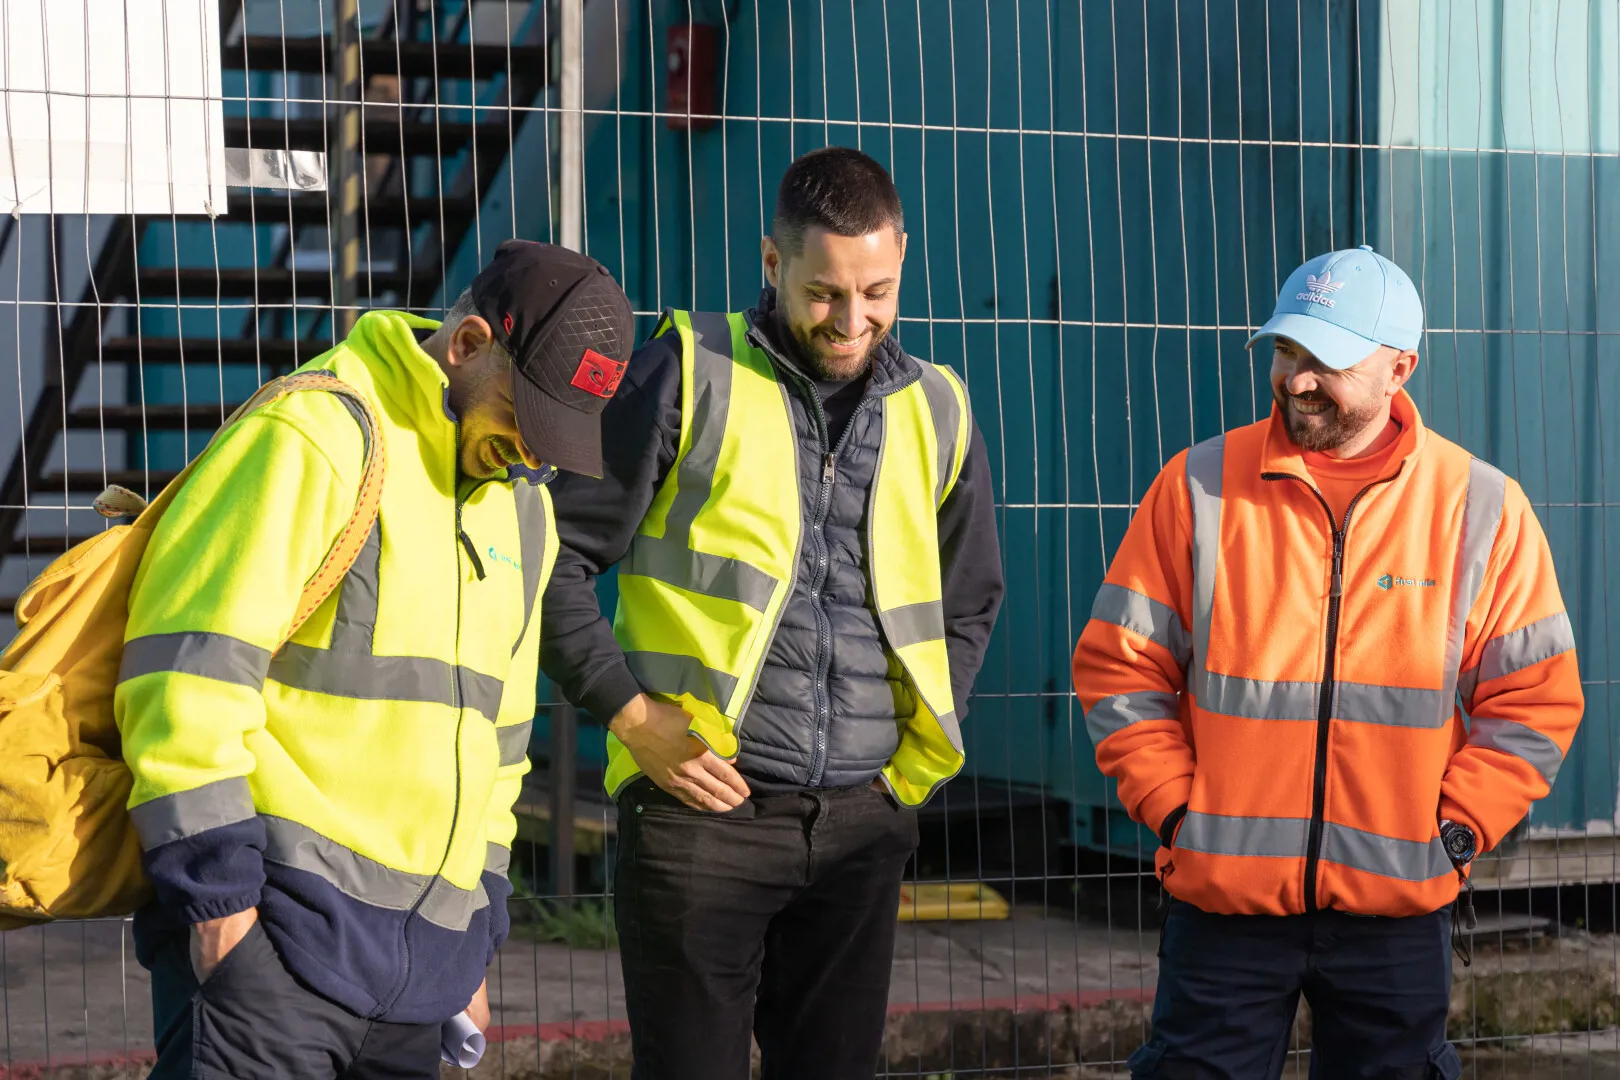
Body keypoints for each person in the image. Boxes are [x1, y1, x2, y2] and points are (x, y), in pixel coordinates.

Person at [116, 239, 634, 1080]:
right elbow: (188, 679)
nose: (536, 456)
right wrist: (221, 914)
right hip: (269, 959)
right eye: (526, 420)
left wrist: (472, 934)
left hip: (419, 984)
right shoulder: (316, 437)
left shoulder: (522, 514)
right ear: (467, 347)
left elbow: (502, 741)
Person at [540, 146, 1005, 1080]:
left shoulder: (940, 408)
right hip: (698, 815)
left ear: (903, 259)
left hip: (862, 825)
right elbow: (551, 563)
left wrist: (904, 777)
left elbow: (970, 600)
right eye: (826, 293)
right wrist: (634, 719)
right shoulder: (684, 371)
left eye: (876, 290)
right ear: (772, 265)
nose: (852, 318)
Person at [1073, 244, 1585, 1079]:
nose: (1297, 379)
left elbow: (1535, 701)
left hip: (1395, 909)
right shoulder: (1198, 486)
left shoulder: (1481, 507)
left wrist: (1455, 834)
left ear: (1399, 368)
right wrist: (1176, 812)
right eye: (1285, 351)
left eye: (1327, 361)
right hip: (1224, 906)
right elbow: (1119, 669)